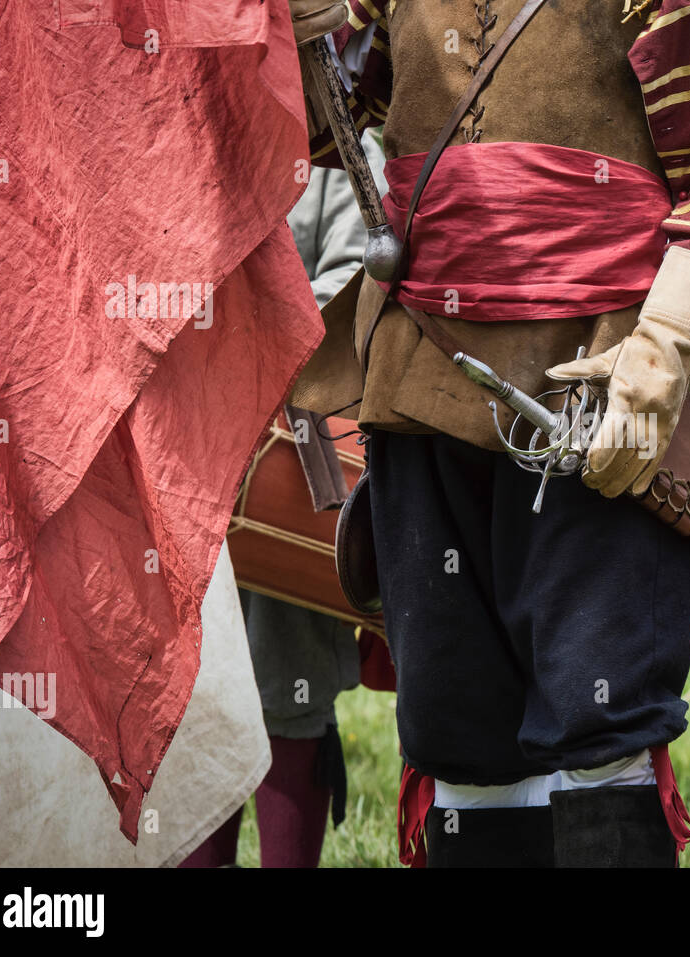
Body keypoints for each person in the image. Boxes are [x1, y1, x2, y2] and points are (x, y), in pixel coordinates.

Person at [289, 0, 690, 867]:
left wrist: (667, 343)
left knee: (603, 725)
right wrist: (298, 35)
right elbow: (317, 132)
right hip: (417, 375)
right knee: (455, 725)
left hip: (598, 382)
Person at [181, 128, 387, 868]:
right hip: (173, 454)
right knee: (183, 700)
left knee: (285, 689)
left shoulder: (333, 138)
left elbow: (355, 281)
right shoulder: (164, 124)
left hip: (288, 463)